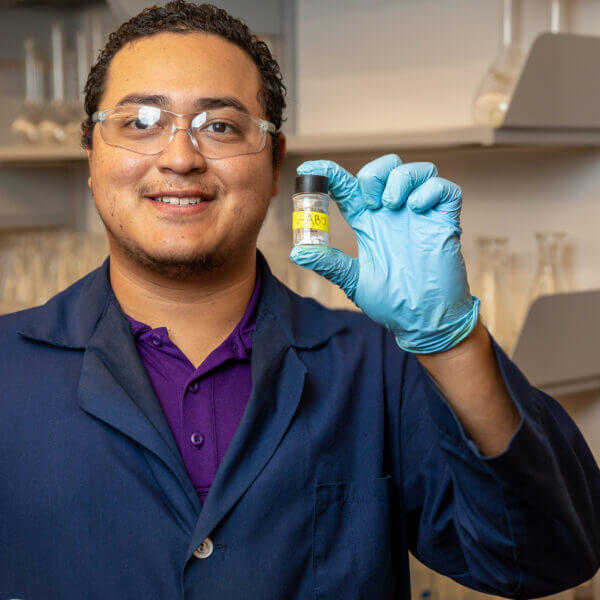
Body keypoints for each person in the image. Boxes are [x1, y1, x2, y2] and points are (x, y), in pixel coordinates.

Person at [0, 2, 598, 599]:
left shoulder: (378, 368)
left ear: (275, 163)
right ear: (92, 155)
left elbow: (548, 557)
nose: (180, 158)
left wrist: (452, 341)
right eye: (141, 122)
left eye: (220, 126)